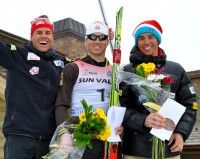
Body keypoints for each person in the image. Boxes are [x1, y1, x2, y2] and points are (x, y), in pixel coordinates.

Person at [120, 20, 198, 159]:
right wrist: (143, 120)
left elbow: (190, 104)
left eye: (151, 37)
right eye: (141, 38)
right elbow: (119, 107)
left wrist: (181, 132)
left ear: (158, 40)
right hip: (136, 150)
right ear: (136, 42)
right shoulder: (127, 71)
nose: (146, 41)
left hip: (169, 149)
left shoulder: (176, 69)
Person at [0, 15, 67, 159]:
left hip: (47, 141)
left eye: (47, 33)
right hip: (19, 137)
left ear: (52, 37)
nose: (44, 36)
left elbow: (84, 67)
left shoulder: (60, 62)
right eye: (39, 32)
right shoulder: (17, 55)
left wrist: (103, 36)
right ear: (32, 36)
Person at [55, 20, 123, 159]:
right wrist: (64, 133)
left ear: (107, 40)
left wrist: (122, 127)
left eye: (102, 37)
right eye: (92, 37)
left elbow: (121, 105)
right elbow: (61, 105)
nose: (97, 41)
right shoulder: (73, 68)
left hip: (107, 139)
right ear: (85, 41)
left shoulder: (116, 72)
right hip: (80, 136)